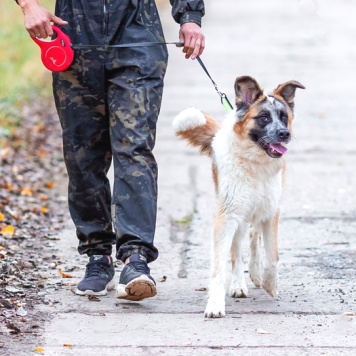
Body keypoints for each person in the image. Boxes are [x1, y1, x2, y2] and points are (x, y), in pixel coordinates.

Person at [15, 0, 205, 301]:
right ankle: (97, 255)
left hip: (138, 38)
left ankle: (135, 257)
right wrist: (29, 6)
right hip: (75, 40)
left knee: (134, 147)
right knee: (82, 155)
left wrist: (190, 16)